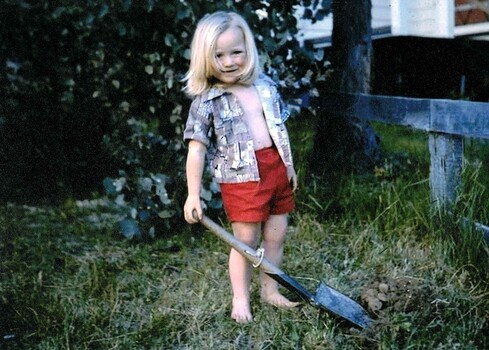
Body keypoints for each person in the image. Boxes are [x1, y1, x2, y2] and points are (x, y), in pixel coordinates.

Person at [182, 11, 298, 324]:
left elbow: (278, 130)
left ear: (248, 50)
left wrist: (288, 166)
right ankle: (240, 298)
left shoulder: (265, 86)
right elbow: (196, 149)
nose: (230, 62)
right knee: (245, 240)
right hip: (241, 179)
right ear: (205, 58)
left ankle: (270, 290)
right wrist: (193, 194)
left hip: (274, 169)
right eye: (219, 55)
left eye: (236, 52)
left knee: (276, 234)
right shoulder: (208, 101)